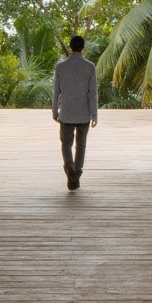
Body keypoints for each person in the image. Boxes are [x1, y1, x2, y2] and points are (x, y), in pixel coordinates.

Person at [52, 35, 98, 190]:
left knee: (66, 144)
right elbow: (92, 93)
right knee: (81, 145)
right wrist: (94, 115)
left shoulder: (61, 67)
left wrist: (54, 111)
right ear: (82, 48)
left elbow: (56, 92)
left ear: (70, 47)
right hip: (84, 113)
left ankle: (69, 171)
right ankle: (76, 174)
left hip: (66, 113)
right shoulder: (90, 67)